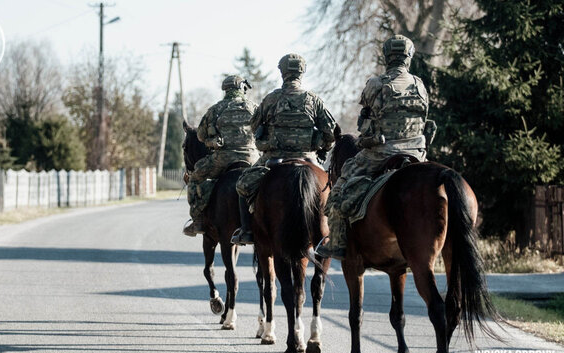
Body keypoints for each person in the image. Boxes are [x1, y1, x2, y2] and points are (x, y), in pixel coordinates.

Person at [316, 34, 431, 259]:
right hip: (417, 153)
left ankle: (336, 243)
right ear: (409, 57)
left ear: (387, 56)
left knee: (340, 187)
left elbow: (365, 120)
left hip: (381, 153)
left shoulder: (376, 84)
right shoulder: (420, 84)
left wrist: (366, 138)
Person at [231, 53, 336, 245]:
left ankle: (247, 231)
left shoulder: (271, 99)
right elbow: (330, 129)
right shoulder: (313, 99)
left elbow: (254, 125)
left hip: (273, 158)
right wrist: (324, 148)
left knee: (243, 185)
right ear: (302, 72)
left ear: (282, 72)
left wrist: (264, 137)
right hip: (308, 157)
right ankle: (335, 234)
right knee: (334, 189)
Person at [183, 75, 259, 237]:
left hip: (223, 159)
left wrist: (214, 140)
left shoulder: (215, 109)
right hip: (252, 159)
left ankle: (197, 220)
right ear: (241, 89)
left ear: (226, 90)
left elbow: (201, 136)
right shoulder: (254, 107)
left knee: (195, 177)